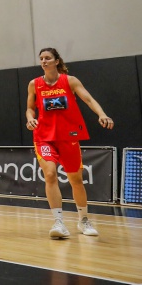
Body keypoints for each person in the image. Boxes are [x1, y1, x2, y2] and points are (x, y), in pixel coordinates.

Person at [25, 47, 114, 239]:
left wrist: (102, 114)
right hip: (43, 137)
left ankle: (83, 220)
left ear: (56, 61)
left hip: (68, 136)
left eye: (47, 58)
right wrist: (30, 118)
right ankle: (58, 222)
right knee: (50, 174)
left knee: (76, 180)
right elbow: (30, 109)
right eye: (41, 58)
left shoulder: (70, 81)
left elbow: (88, 99)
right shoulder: (34, 84)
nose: (43, 61)